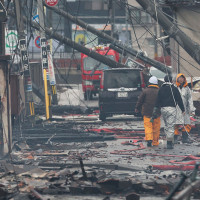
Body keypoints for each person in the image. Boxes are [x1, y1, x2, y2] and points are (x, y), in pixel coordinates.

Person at [154, 74, 185, 149]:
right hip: (171, 109)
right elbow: (179, 99)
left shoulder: (161, 89)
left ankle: (168, 139)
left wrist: (156, 108)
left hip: (163, 109)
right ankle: (169, 142)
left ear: (164, 80)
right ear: (171, 80)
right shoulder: (174, 88)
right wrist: (182, 109)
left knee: (167, 125)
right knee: (171, 126)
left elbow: (158, 100)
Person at [135, 76, 161, 147]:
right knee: (156, 128)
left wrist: (137, 108)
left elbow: (140, 101)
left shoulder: (145, 91)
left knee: (148, 126)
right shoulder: (159, 91)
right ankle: (155, 142)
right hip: (157, 113)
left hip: (147, 112)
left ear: (149, 83)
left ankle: (149, 139)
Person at [174, 73, 196, 143]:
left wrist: (191, 109)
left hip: (185, 109)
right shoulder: (174, 87)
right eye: (180, 78)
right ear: (177, 79)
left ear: (184, 79)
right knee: (175, 123)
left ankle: (185, 138)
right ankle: (175, 138)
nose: (181, 79)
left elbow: (189, 99)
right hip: (176, 109)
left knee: (187, 123)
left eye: (182, 78)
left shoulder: (187, 89)